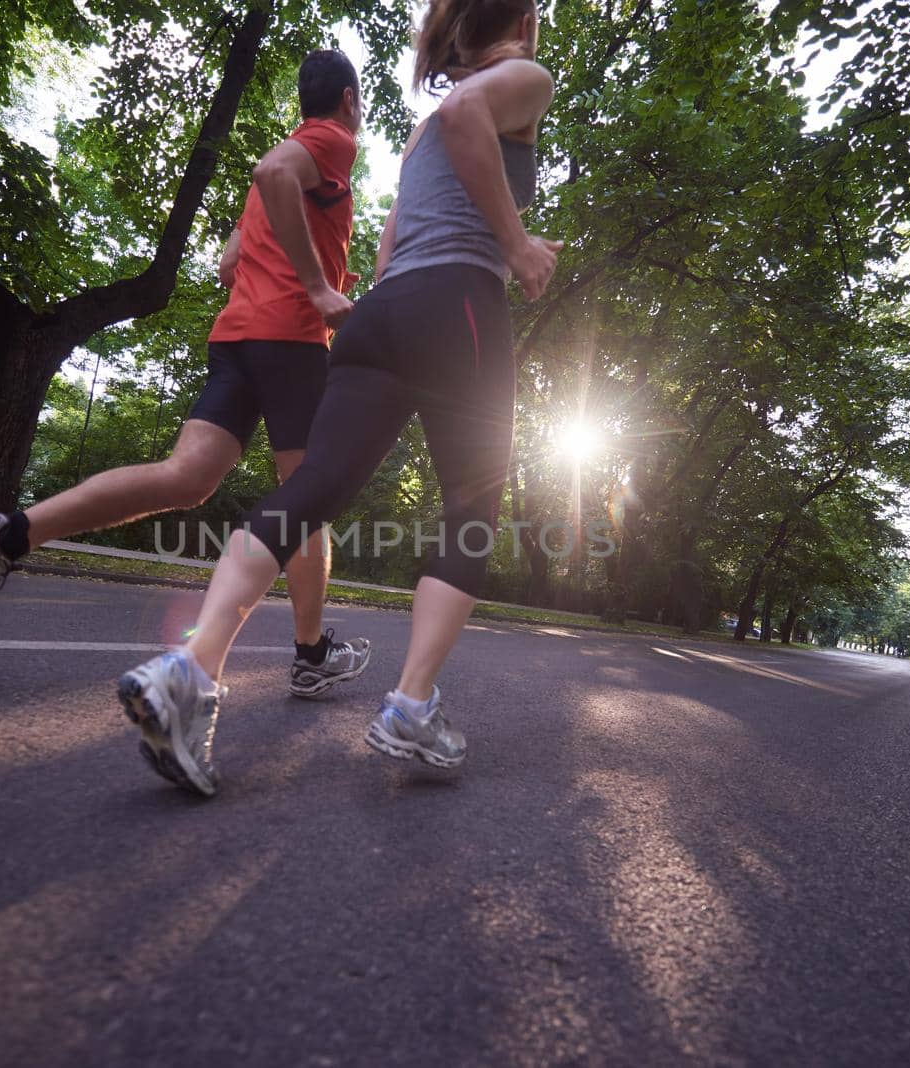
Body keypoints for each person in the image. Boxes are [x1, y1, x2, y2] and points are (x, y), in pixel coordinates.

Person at [116, 0, 560, 796]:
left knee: (311, 487)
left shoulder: (417, 135)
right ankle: (411, 705)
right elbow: (466, 114)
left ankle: (190, 669)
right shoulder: (521, 76)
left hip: (383, 315)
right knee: (471, 511)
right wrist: (519, 244)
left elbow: (391, 237)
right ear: (522, 17)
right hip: (460, 305)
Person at [0, 49, 373, 702]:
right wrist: (318, 285)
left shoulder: (275, 186)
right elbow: (276, 170)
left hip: (237, 340)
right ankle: (309, 652)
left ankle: (4, 534)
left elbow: (229, 265)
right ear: (349, 101)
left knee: (184, 478)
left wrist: (318, 263)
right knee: (307, 502)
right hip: (292, 340)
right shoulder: (330, 141)